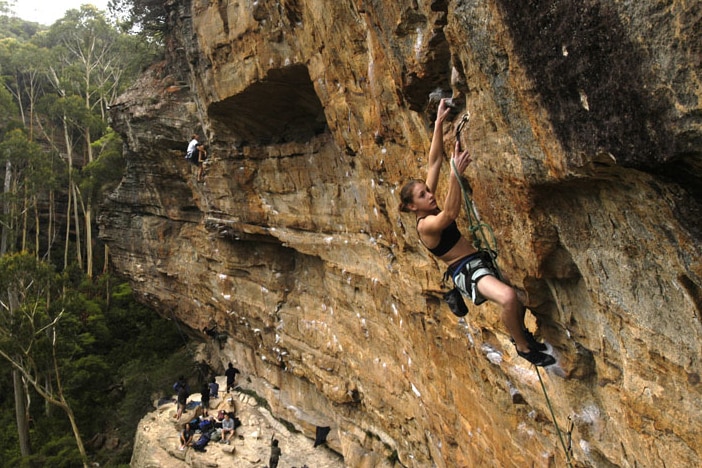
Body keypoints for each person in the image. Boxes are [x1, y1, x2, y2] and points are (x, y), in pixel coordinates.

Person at [399, 98, 555, 367]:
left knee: (517, 297)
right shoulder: (425, 225)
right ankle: (523, 347)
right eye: (423, 195)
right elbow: (449, 215)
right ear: (413, 206)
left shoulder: (428, 203)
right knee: (507, 297)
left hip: (477, 261)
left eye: (427, 190)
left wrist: (438, 123)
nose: (430, 195)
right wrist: (455, 176)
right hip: (466, 271)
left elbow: (434, 160)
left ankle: (524, 336)